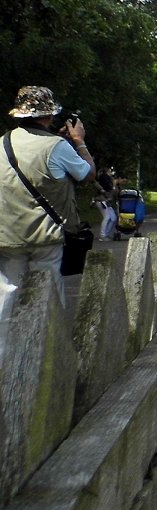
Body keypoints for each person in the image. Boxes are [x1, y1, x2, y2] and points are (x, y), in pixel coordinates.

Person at [0, 86, 96, 359]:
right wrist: (79, 142)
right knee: (48, 298)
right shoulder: (57, 146)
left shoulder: (2, 143)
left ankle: (5, 363)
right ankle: (45, 359)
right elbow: (87, 174)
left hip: (6, 237)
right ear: (48, 116)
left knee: (6, 301)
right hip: (46, 237)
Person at [95, 166, 118, 241]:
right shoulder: (105, 178)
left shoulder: (105, 178)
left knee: (113, 218)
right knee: (107, 217)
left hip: (106, 201)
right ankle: (103, 235)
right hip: (102, 200)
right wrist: (114, 185)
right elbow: (111, 190)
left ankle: (106, 234)